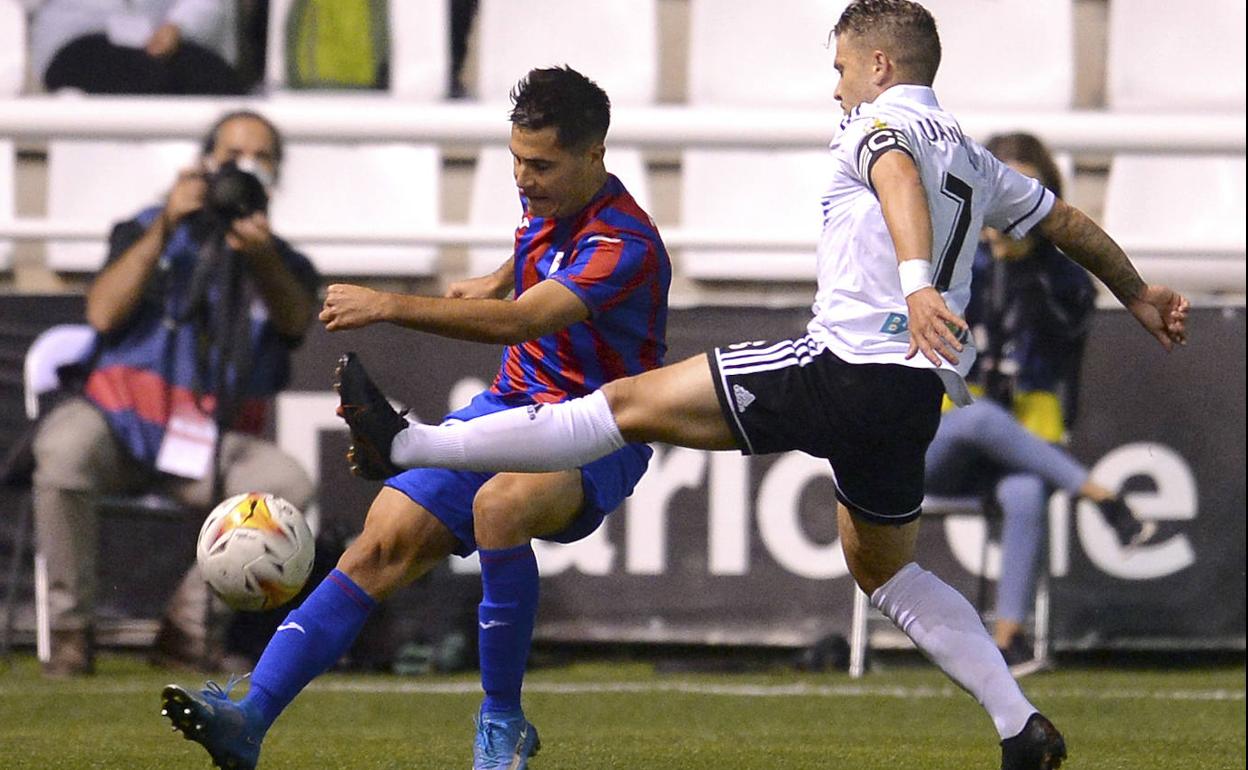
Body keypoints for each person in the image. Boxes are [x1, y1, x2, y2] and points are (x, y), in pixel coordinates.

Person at [327, 3, 1190, 768]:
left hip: (841, 365)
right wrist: (1138, 292)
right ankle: (1017, 723)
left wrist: (917, 281)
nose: (836, 86)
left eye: (842, 67)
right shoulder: (972, 154)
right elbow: (1064, 220)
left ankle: (411, 444)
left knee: (625, 407)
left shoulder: (876, 125)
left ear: (880, 65)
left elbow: (893, 173)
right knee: (886, 572)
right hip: (910, 395)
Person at [161, 66, 671, 770]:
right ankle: (248, 718)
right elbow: (540, 250)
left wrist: (388, 305)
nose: (524, 179)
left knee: (499, 508)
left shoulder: (625, 244)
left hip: (598, 430)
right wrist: (500, 275)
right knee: (377, 546)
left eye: (542, 165)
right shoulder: (550, 202)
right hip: (510, 407)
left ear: (595, 155)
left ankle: (502, 723)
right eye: (517, 160)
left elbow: (522, 321)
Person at [31, 110, 319, 676]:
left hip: (209, 441)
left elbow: (293, 322)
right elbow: (102, 313)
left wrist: (260, 256)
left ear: (276, 176)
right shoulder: (145, 227)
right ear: (206, 162)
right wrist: (166, 222)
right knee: (63, 450)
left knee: (286, 482)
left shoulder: (284, 261)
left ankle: (186, 631)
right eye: (232, 154)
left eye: (261, 157)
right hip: (118, 423)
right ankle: (69, 633)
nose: (245, 166)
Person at [923, 132, 1157, 676]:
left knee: (1027, 493)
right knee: (978, 415)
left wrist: (1027, 268)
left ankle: (1008, 641)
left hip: (1021, 443)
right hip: (943, 443)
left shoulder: (1063, 278)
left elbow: (1064, 337)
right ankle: (1101, 496)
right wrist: (990, 263)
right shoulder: (956, 262)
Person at [27, 0, 245, 95]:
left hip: (168, 37)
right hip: (77, 38)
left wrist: (178, 25)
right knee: (142, 76)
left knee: (216, 78)